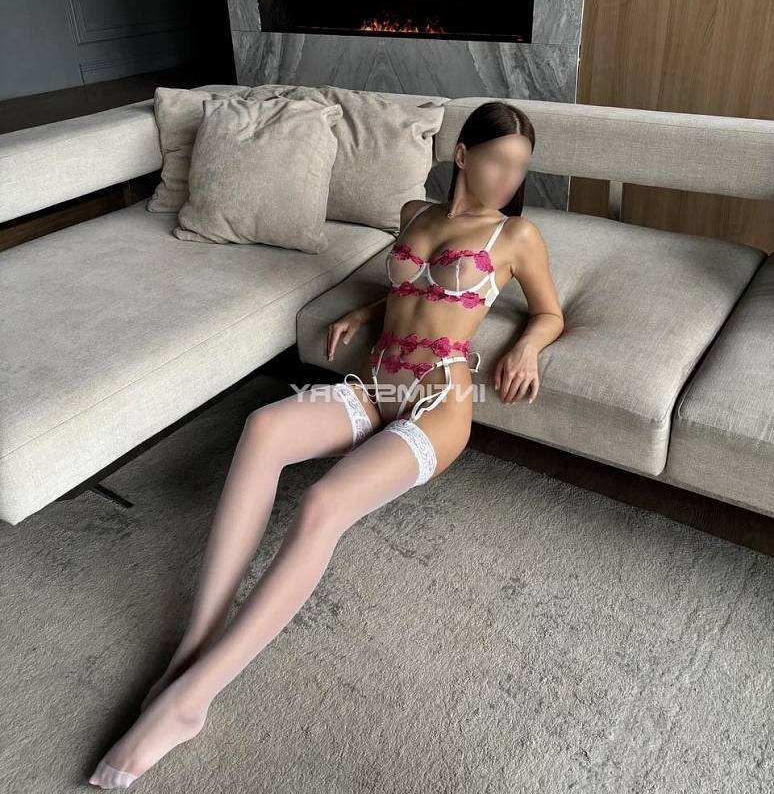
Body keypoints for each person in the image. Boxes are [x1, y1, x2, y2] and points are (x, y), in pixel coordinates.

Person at [88, 99, 565, 789]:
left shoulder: (515, 234)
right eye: (497, 161)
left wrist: (526, 346)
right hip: (374, 383)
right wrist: (364, 311)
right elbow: (407, 291)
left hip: (438, 401)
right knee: (263, 427)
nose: (507, 178)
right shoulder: (415, 215)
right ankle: (195, 641)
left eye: (519, 167)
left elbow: (550, 311)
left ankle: (193, 699)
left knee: (320, 505)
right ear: (462, 155)